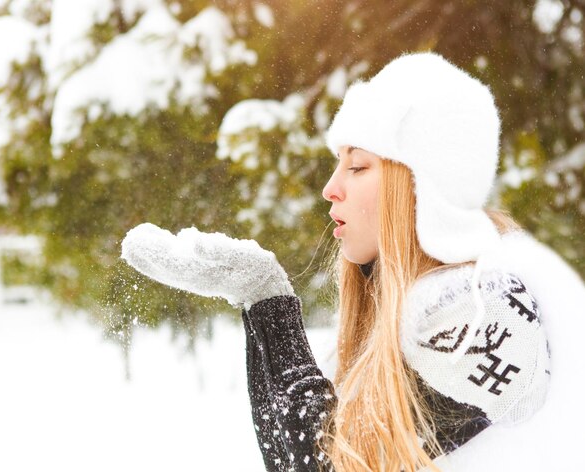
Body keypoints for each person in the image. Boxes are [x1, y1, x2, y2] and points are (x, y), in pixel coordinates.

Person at [121, 52, 585, 472]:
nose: (331, 187)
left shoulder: (476, 315)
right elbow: (303, 455)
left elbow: (326, 467)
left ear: (419, 186)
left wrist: (268, 301)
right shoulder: (433, 304)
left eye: (358, 166)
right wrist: (262, 297)